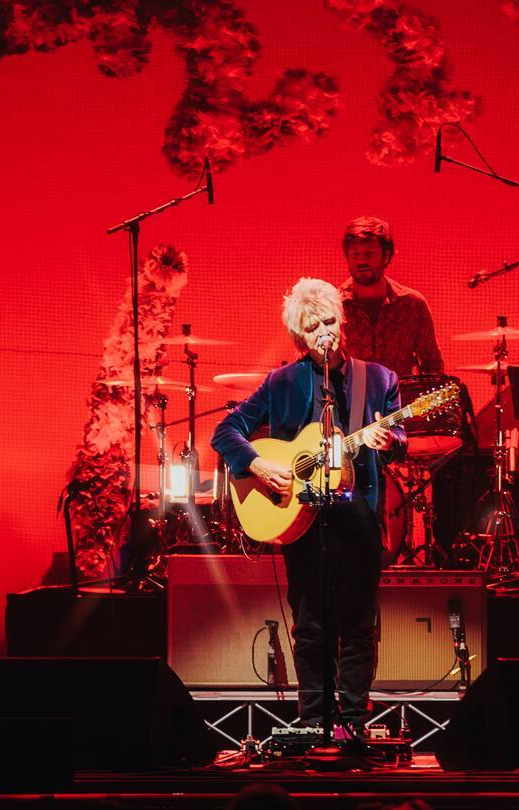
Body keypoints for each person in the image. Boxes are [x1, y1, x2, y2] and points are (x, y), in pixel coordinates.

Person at [211, 277, 405, 738]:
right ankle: (313, 721)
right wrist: (257, 465)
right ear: (299, 337)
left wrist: (388, 440)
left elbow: (399, 438)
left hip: (358, 516)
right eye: (314, 325)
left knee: (358, 625)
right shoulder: (281, 382)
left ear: (343, 320)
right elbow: (226, 433)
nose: (326, 331)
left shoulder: (378, 379)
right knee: (311, 625)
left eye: (331, 320)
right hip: (298, 518)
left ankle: (353, 723)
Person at [338, 216, 444, 379]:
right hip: (349, 402)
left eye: (369, 254)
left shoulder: (412, 304)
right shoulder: (333, 306)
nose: (361, 261)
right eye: (355, 254)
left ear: (386, 256)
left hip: (401, 401)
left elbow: (433, 366)